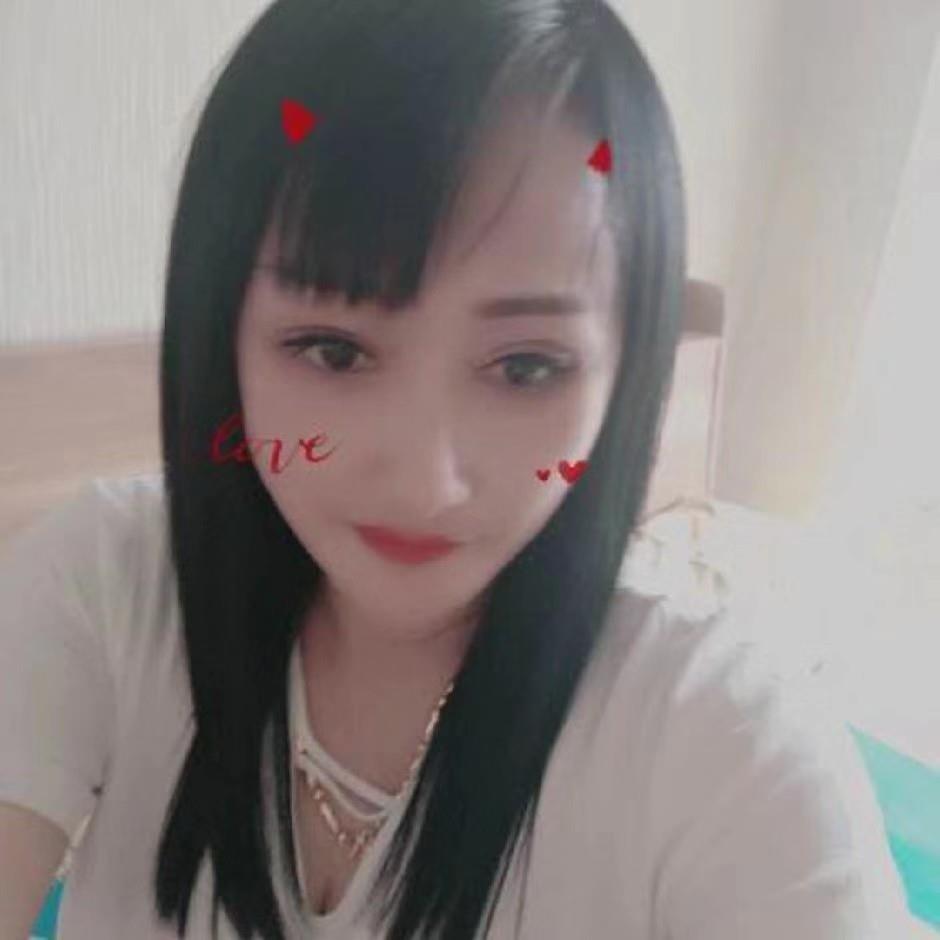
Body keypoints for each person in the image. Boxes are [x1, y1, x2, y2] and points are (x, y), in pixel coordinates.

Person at [0, 0, 912, 938]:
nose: (425, 484)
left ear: (625, 373)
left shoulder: (722, 737)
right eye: (334, 351)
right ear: (220, 334)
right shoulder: (103, 590)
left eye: (527, 368)